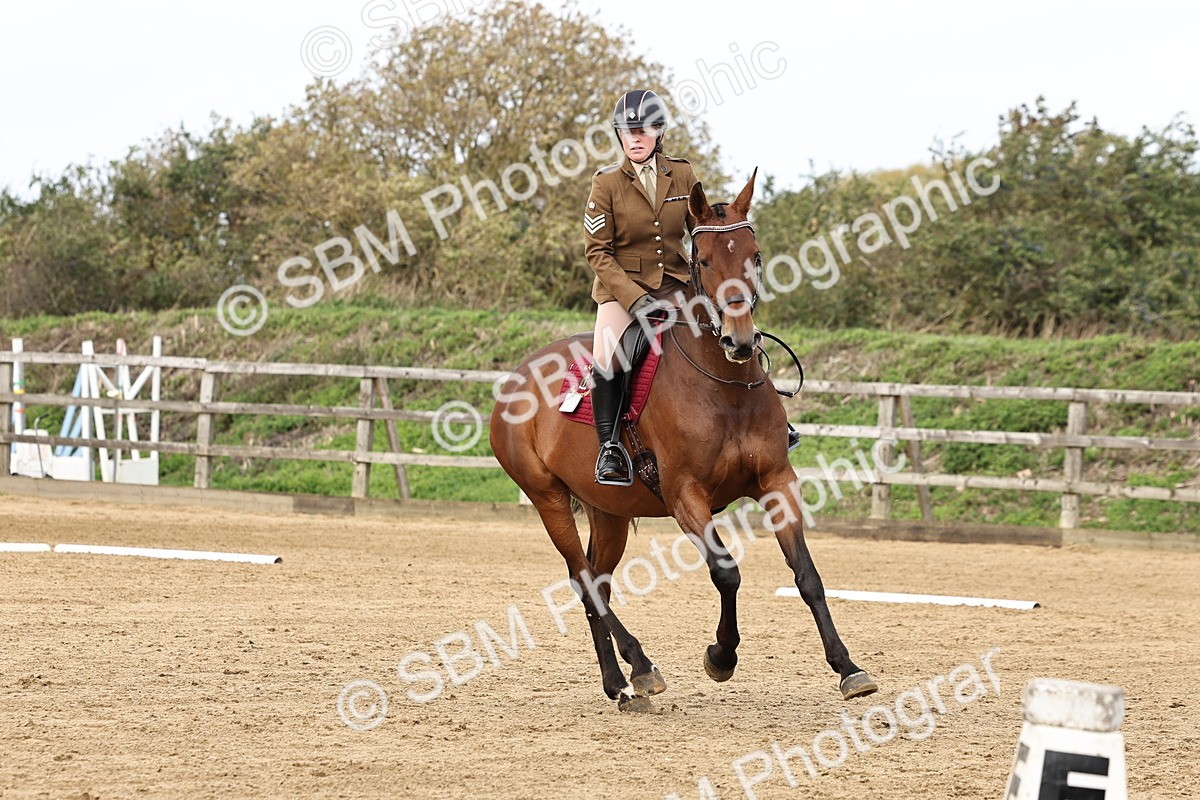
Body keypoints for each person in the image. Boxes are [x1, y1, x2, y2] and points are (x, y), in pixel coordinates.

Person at [583, 89, 800, 486]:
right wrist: (635, 300)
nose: (635, 138)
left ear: (659, 132)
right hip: (622, 291)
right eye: (627, 131)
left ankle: (771, 426)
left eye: (644, 130)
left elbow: (700, 229)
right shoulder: (606, 185)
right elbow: (597, 253)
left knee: (733, 329)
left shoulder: (682, 174)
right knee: (609, 358)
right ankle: (609, 447)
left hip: (679, 283)